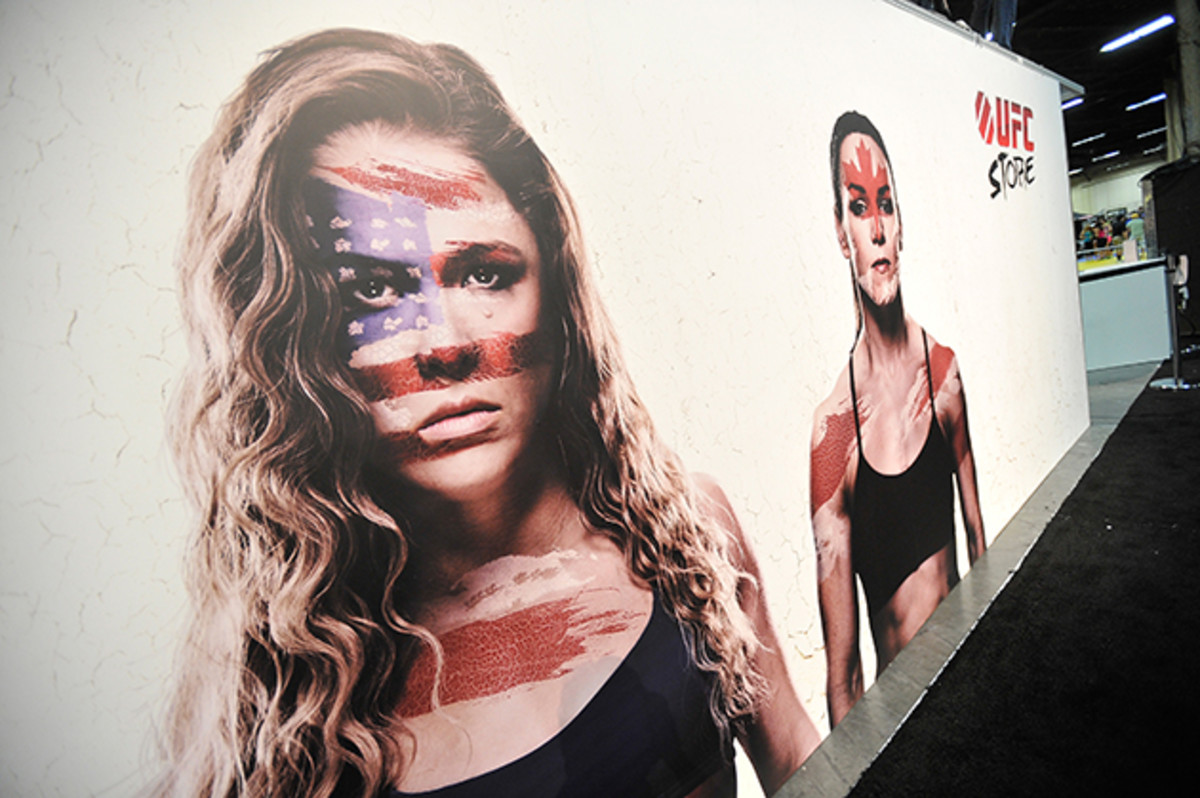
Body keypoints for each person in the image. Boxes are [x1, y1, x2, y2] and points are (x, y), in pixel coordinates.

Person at [157, 28, 818, 798]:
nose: (442, 344)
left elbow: (800, 760)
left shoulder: (686, 534)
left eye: (481, 272)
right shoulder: (288, 718)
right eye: (371, 291)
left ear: (555, 286)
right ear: (294, 342)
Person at [809, 112, 986, 727]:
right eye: (859, 208)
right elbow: (843, 680)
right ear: (840, 231)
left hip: (973, 687)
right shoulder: (833, 436)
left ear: (903, 223)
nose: (878, 228)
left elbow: (979, 549)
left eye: (887, 204)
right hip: (909, 729)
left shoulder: (943, 376)